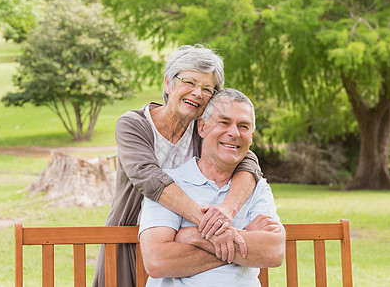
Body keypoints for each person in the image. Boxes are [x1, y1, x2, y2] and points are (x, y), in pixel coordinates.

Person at [93, 45, 263, 287]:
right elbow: (149, 179)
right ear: (167, 83)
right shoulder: (133, 124)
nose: (197, 93)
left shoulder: (203, 131)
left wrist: (227, 210)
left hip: (184, 244)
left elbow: (248, 161)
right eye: (190, 82)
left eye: (207, 89)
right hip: (130, 240)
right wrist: (213, 227)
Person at [139, 89, 285, 286]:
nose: (234, 133)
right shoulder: (171, 185)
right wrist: (244, 236)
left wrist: (196, 237)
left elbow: (273, 252)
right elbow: (157, 262)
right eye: (224, 122)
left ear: (251, 135)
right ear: (202, 127)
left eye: (243, 126)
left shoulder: (257, 188)